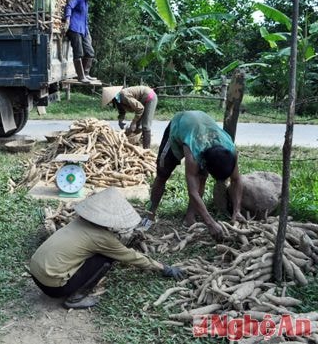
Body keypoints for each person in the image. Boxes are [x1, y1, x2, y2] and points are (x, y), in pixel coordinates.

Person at [29, 188, 185, 309]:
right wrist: (164, 268)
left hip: (36, 276)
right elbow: (131, 256)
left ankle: (70, 286)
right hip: (53, 288)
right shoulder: (102, 238)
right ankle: (75, 298)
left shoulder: (79, 221)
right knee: (106, 258)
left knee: (93, 254)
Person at [139, 111, 244, 240]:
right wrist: (210, 223)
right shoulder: (193, 154)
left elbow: (237, 180)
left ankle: (190, 218)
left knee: (201, 178)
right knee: (162, 174)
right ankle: (150, 213)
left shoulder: (230, 151)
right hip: (180, 125)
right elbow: (192, 191)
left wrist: (237, 210)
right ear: (205, 163)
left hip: (202, 128)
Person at [63, 0, 101, 83]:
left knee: (90, 52)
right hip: (74, 28)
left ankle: (86, 74)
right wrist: (67, 20)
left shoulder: (85, 0)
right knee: (78, 52)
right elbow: (69, 6)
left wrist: (87, 30)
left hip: (84, 29)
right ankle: (80, 76)